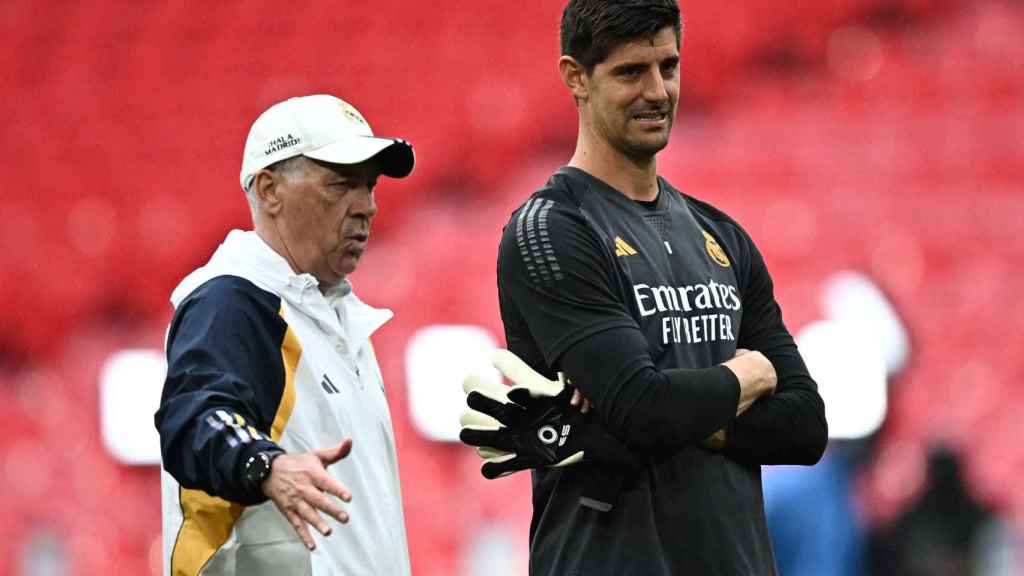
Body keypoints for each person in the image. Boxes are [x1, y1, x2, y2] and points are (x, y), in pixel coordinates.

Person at [460, 1, 828, 574]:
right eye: (631, 72)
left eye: (669, 66)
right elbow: (646, 412)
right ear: (575, 77)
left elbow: (805, 427)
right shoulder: (551, 230)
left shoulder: (722, 234)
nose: (658, 90)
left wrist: (658, 413)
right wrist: (745, 376)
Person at [154, 94, 415, 576]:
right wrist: (265, 465)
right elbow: (193, 416)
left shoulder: (331, 313)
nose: (368, 207)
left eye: (370, 186)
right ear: (270, 189)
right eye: (341, 185)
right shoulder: (234, 302)